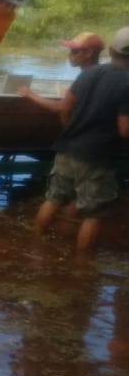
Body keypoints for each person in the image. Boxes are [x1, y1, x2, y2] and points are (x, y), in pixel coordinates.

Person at [30, 26, 129, 252]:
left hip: (67, 147)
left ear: (111, 51)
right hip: (97, 156)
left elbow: (65, 108)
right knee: (94, 214)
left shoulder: (89, 73)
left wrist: (71, 131)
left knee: (53, 199)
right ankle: (81, 263)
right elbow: (124, 130)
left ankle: (35, 245)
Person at [17, 31, 104, 117]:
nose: (70, 55)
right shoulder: (100, 74)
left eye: (75, 51)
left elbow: (61, 108)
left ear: (88, 53)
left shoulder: (86, 77)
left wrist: (29, 94)